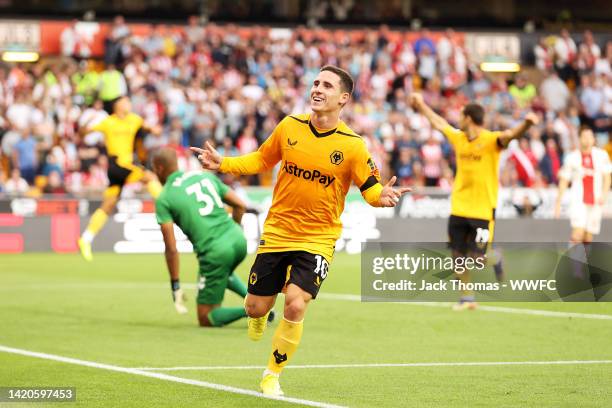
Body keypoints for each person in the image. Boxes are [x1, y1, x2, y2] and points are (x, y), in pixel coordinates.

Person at [191, 65, 410, 396]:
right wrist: (224, 164)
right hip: (278, 231)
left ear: (344, 98)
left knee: (295, 303)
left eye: (326, 85)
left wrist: (384, 196)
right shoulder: (289, 126)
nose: (317, 89)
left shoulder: (352, 146)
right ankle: (258, 316)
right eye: (315, 83)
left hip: (318, 238)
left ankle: (272, 374)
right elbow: (261, 160)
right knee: (255, 307)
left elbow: (370, 188)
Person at [410, 92, 538, 310]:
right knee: (457, 255)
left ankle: (495, 258)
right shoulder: (459, 138)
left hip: (483, 208)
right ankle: (467, 298)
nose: (458, 118)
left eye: (461, 114)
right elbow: (439, 123)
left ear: (469, 118)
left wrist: (526, 124)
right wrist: (421, 105)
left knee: (477, 258)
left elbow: (509, 136)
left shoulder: (490, 140)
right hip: (459, 205)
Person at [152, 147, 263, 327]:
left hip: (215, 252)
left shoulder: (165, 197)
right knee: (223, 272)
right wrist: (231, 234)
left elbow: (171, 249)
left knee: (206, 316)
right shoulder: (204, 176)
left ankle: (256, 309)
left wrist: (175, 284)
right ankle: (253, 300)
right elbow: (240, 205)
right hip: (238, 239)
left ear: (158, 168)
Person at [77, 96, 163, 261]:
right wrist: (87, 120)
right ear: (117, 106)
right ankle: (168, 203)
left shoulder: (134, 119)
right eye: (126, 102)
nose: (129, 104)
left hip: (123, 168)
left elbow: (153, 129)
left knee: (108, 205)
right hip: (117, 164)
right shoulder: (108, 121)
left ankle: (86, 239)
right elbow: (83, 133)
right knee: (149, 177)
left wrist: (155, 129)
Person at [554, 126, 611, 246]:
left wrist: (604, 194)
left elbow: (607, 177)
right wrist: (558, 202)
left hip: (596, 200)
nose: (588, 140)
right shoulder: (572, 157)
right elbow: (564, 180)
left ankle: (581, 263)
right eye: (584, 137)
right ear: (579, 139)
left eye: (590, 136)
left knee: (588, 236)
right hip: (578, 200)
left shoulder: (602, 155)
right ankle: (574, 264)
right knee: (577, 233)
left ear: (594, 139)